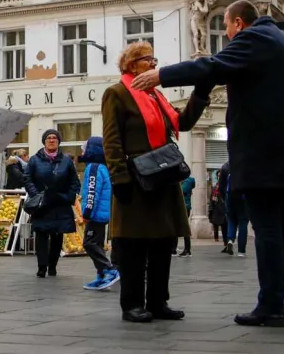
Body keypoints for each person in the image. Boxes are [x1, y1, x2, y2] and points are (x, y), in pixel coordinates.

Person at [135, 0, 284, 328]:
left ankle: (271, 305)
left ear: (238, 24)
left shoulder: (253, 39)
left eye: (228, 27)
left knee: (269, 230)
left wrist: (160, 75)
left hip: (261, 153)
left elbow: (211, 66)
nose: (228, 35)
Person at [106, 42, 209, 323]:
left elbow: (182, 123)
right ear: (131, 64)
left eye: (154, 59)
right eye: (147, 59)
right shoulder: (116, 94)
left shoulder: (157, 97)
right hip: (135, 177)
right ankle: (132, 304)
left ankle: (158, 301)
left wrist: (200, 93)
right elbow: (112, 140)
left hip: (164, 175)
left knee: (164, 243)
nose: (153, 64)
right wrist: (119, 177)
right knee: (134, 246)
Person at [25, 129, 79, 278]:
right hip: (42, 204)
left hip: (60, 203)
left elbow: (74, 182)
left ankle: (53, 266)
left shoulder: (66, 160)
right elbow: (27, 178)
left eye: (54, 138)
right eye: (48, 138)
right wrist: (35, 195)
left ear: (58, 141)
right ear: (44, 141)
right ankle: (42, 267)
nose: (51, 140)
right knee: (41, 235)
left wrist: (68, 196)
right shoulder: (35, 160)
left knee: (57, 236)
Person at [77, 136, 119, 291]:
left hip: (95, 214)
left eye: (85, 147)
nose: (82, 150)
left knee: (90, 243)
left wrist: (87, 212)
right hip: (101, 213)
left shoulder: (93, 168)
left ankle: (110, 270)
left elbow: (92, 192)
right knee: (98, 244)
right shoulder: (102, 167)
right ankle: (101, 275)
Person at [221, 162, 249, 256]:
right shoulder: (246, 165)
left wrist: (223, 197)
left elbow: (221, 185)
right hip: (244, 199)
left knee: (231, 219)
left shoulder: (226, 167)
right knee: (243, 222)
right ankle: (241, 251)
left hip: (230, 198)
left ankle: (229, 240)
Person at [176, 175, 195, 258]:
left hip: (184, 207)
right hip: (183, 206)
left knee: (184, 227)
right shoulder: (188, 180)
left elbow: (181, 191)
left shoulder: (187, 181)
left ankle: (187, 250)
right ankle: (174, 248)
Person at [208, 178, 227, 244]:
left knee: (223, 223)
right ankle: (216, 237)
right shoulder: (215, 189)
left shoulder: (224, 188)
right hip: (216, 208)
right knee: (216, 223)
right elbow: (212, 198)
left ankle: (225, 238)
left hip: (222, 207)